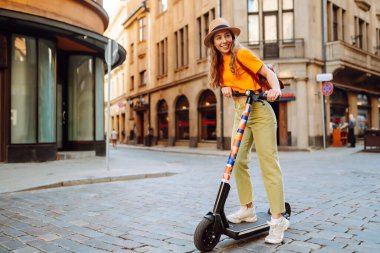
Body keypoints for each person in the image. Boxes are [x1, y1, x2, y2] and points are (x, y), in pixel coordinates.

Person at [204, 17, 288, 244]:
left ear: (233, 37)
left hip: (259, 110)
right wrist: (227, 87)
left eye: (227, 36)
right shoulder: (218, 63)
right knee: (237, 160)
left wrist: (276, 89)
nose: (224, 41)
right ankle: (247, 208)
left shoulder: (242, 54)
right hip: (240, 112)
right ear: (213, 42)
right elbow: (230, 81)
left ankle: (278, 219)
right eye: (218, 38)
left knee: (268, 163)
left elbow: (268, 73)